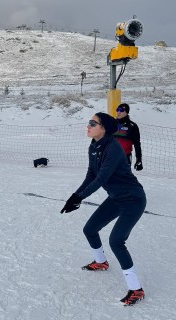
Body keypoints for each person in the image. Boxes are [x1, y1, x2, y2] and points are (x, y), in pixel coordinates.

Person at [61, 112, 147, 306]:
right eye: (88, 122)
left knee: (116, 241)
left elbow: (101, 179)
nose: (88, 126)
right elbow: (91, 175)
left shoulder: (113, 148)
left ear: (104, 128)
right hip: (116, 198)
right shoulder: (94, 146)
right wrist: (74, 197)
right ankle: (101, 262)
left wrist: (79, 197)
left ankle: (136, 289)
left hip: (133, 199)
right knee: (90, 229)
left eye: (93, 123)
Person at [113, 103, 143, 171]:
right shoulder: (112, 124)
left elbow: (137, 144)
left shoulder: (132, 126)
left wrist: (139, 159)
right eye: (117, 110)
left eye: (121, 110)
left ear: (126, 112)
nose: (118, 112)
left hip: (125, 157)